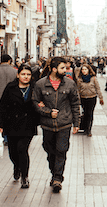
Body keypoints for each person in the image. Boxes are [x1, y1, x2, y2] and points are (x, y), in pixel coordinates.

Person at [33, 57, 80, 193]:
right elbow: (35, 102)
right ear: (54, 69)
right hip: (47, 125)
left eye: (65, 68)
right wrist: (47, 112)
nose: (65, 70)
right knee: (49, 150)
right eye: (62, 68)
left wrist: (76, 122)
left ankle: (57, 178)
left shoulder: (70, 84)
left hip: (64, 123)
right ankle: (54, 172)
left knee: (61, 149)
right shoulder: (41, 84)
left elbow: (75, 104)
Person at [0, 64, 39, 188]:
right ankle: (17, 166)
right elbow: (2, 107)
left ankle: (25, 177)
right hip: (11, 124)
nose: (26, 77)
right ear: (18, 75)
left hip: (28, 125)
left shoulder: (35, 88)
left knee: (22, 149)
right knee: (13, 152)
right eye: (23, 74)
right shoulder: (10, 87)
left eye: (28, 74)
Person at [76, 64, 104, 136]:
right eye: (83, 70)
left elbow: (98, 88)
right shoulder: (79, 79)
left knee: (90, 113)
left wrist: (101, 98)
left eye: (85, 69)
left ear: (88, 70)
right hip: (83, 98)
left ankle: (89, 130)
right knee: (85, 113)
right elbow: (78, 90)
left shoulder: (93, 79)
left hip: (92, 98)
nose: (84, 71)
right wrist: (77, 100)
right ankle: (85, 128)